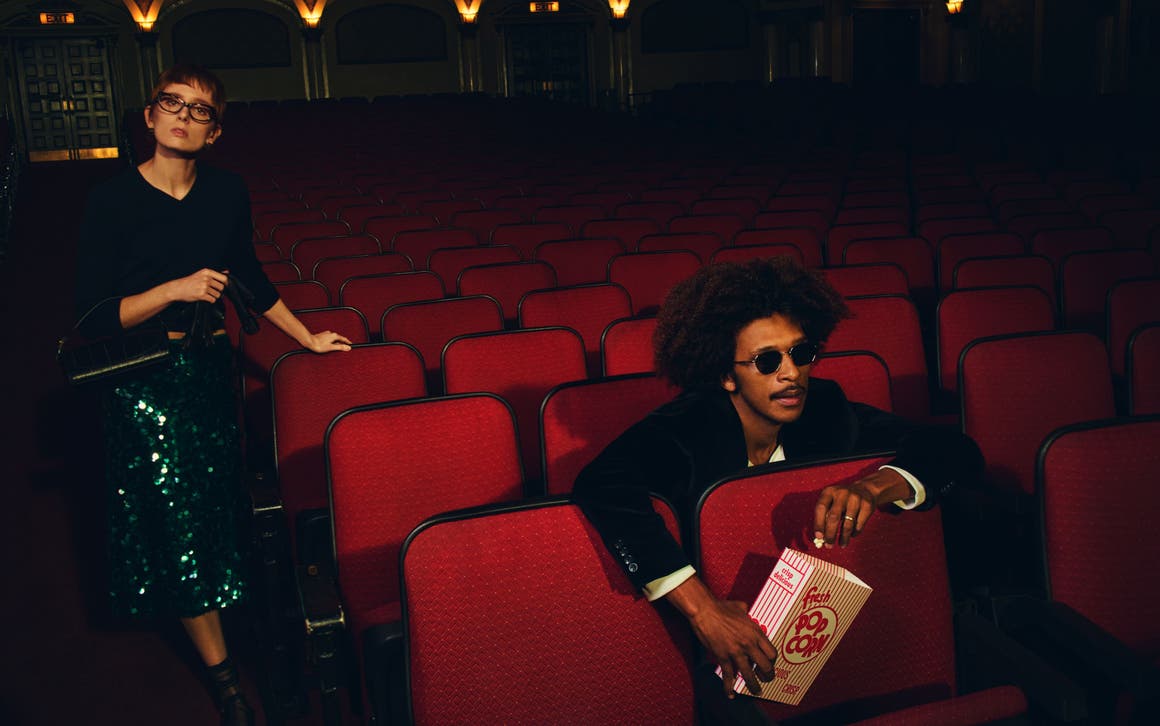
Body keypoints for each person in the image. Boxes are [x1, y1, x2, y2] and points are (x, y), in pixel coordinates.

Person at [73, 65, 351, 726]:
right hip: (143, 382)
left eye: (199, 111)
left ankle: (233, 637)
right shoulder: (109, 202)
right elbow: (89, 316)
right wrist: (174, 289)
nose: (183, 116)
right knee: (179, 524)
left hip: (206, 371)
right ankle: (226, 679)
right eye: (171, 103)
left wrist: (306, 338)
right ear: (148, 116)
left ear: (215, 131)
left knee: (217, 506)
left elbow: (248, 274)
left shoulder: (227, 192)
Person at [573, 257, 982, 703]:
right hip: (711, 662)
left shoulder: (825, 407)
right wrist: (703, 611)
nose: (791, 373)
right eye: (767, 361)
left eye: (800, 353)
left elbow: (955, 450)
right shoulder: (686, 428)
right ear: (726, 375)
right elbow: (602, 484)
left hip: (827, 645)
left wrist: (874, 485)